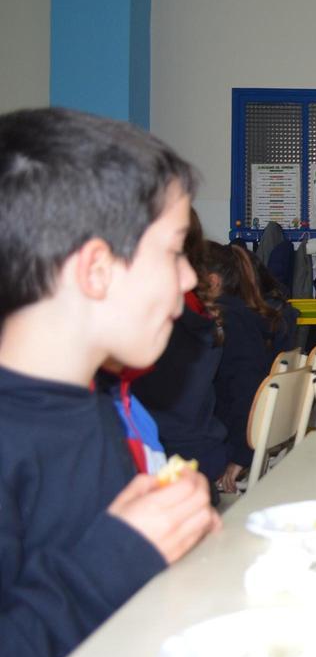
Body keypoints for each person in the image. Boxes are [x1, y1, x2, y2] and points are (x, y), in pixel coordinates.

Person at [0, 108, 220, 657]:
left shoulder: (94, 409)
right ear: (96, 269)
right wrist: (125, 553)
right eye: (174, 252)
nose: (192, 278)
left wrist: (173, 529)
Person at [132, 208, 228, 490]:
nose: (185, 277)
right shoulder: (200, 313)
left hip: (183, 464)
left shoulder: (172, 324)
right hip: (201, 453)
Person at [202, 242, 295, 493]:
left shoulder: (228, 323)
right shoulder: (249, 317)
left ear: (212, 282)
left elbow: (245, 389)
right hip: (241, 438)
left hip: (226, 444)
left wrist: (241, 454)